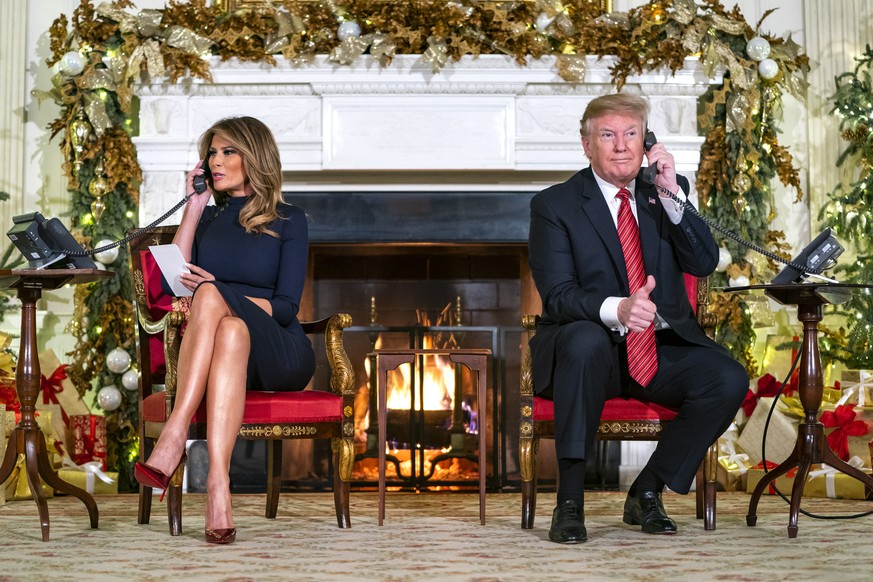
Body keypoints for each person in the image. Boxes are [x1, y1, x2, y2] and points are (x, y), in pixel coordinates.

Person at [527, 93, 747, 544]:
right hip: (589, 353)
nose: (622, 146)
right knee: (585, 340)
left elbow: (704, 263)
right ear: (587, 144)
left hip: (658, 352)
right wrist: (619, 308)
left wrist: (672, 197)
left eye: (631, 134)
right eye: (608, 135)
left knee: (726, 378)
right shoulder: (555, 206)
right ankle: (569, 504)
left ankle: (647, 490)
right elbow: (558, 296)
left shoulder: (663, 193)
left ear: (646, 140)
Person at [134, 116, 315, 545]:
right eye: (212, 152)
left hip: (280, 352)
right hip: (226, 350)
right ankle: (219, 487)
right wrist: (194, 208)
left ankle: (174, 434)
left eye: (228, 151)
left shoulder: (289, 219)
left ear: (255, 158)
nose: (216, 161)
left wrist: (221, 291)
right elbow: (178, 282)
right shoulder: (210, 220)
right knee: (229, 329)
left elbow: (288, 308)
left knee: (213, 296)